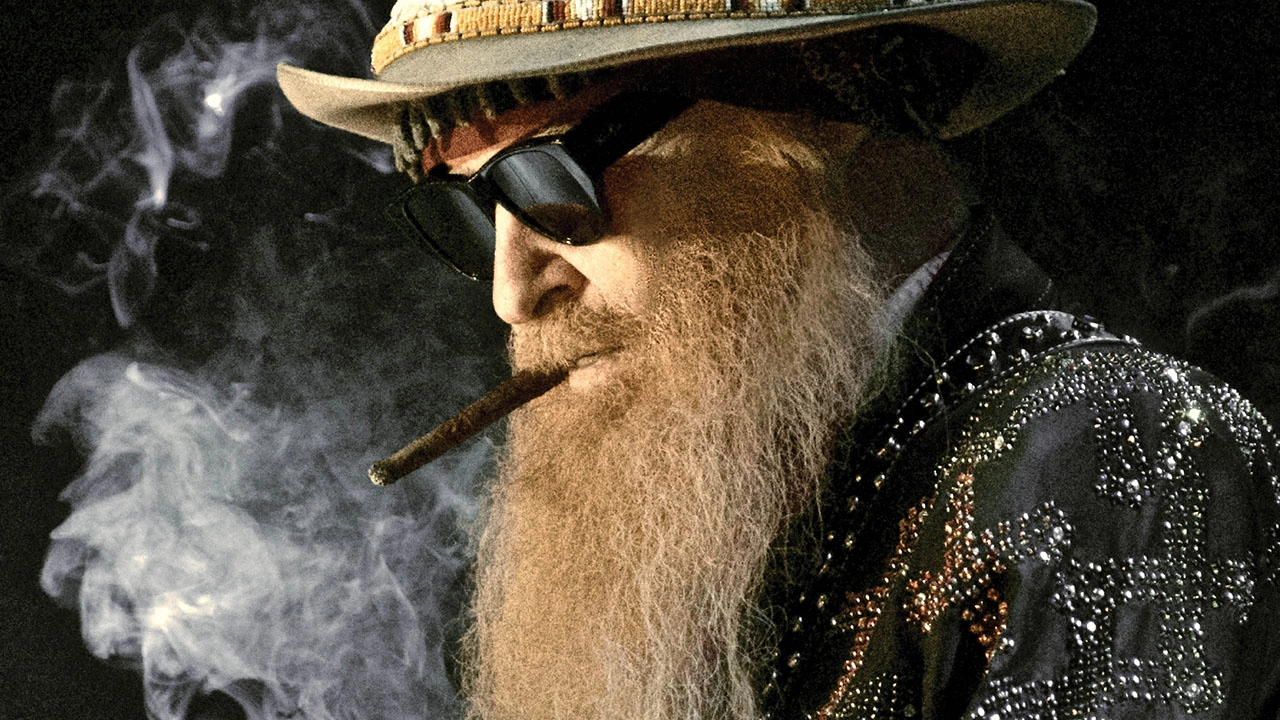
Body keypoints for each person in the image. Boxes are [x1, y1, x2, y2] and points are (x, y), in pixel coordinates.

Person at [278, 0, 1280, 718]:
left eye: (549, 181)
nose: (513, 290)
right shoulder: (729, 491)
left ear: (808, 113)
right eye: (468, 214)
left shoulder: (1113, 449)